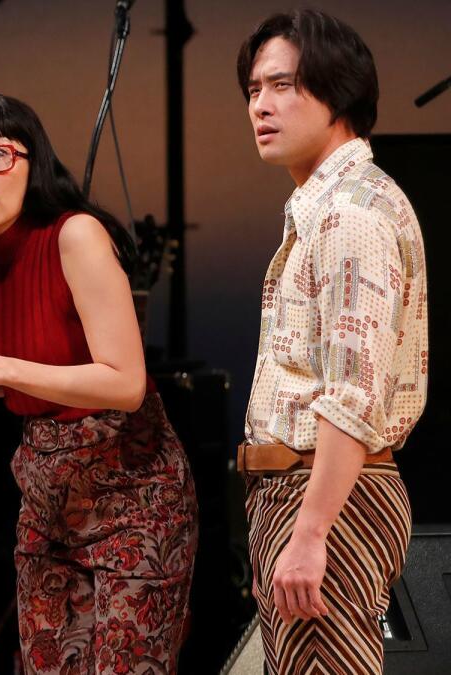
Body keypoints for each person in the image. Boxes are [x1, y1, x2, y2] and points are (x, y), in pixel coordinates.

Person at [0, 93, 198, 674]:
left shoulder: (75, 235)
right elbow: (24, 379)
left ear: (32, 162)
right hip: (48, 504)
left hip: (133, 501)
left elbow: (125, 383)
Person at [236, 9, 427, 673]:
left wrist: (310, 530)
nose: (262, 104)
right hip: (303, 490)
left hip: (328, 494)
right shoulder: (329, 206)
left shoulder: (350, 213)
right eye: (254, 89)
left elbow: (353, 392)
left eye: (284, 85)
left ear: (339, 92)